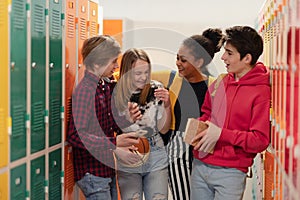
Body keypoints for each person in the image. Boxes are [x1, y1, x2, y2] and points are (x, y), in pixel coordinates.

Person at [190, 26, 270, 200]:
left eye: (229, 53)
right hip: (200, 166)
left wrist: (221, 135)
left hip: (231, 174)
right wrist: (198, 128)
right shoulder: (220, 83)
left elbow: (259, 140)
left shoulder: (261, 92)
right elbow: (207, 113)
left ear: (247, 58)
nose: (223, 57)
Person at [151, 28, 225, 200]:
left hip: (206, 147)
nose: (178, 63)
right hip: (178, 149)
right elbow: (133, 75)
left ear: (199, 62)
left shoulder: (214, 85)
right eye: (177, 58)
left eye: (183, 60)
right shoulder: (170, 78)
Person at [67, 35, 140, 200]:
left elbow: (110, 122)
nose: (116, 66)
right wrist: (115, 143)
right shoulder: (85, 90)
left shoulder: (104, 86)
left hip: (105, 167)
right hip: (92, 173)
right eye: (113, 61)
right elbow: (75, 135)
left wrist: (128, 119)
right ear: (97, 62)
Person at [114, 48, 171, 200]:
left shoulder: (156, 89)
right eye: (138, 73)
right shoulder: (115, 92)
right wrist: (127, 120)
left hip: (156, 151)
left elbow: (164, 129)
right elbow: (110, 129)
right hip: (129, 152)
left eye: (146, 72)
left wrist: (167, 106)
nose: (143, 77)